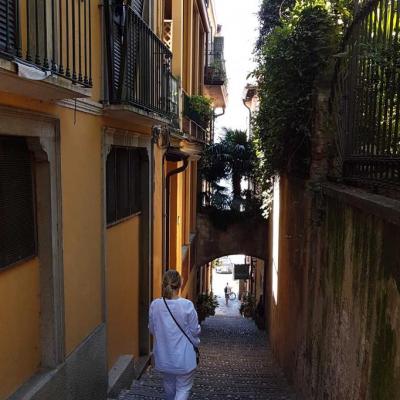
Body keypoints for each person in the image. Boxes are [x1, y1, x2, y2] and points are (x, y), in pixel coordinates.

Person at [149, 270, 201, 400]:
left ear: (163, 284)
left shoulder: (155, 305)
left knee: (169, 385)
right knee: (183, 388)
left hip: (164, 356)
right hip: (184, 357)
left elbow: (152, 329)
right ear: (180, 285)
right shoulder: (187, 305)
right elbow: (195, 330)